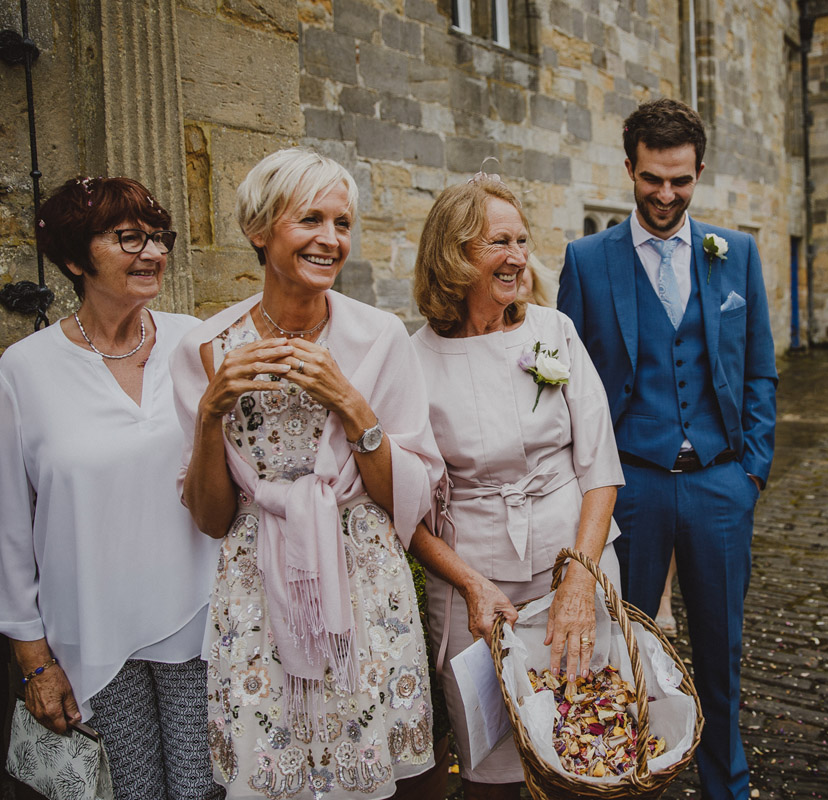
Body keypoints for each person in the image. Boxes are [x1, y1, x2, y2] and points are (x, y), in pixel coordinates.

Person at [171, 149, 444, 800]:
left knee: (361, 770)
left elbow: (411, 492)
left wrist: (350, 403)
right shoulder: (206, 348)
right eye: (310, 220)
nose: (330, 240)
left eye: (342, 223)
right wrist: (212, 411)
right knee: (271, 773)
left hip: (363, 587)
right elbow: (210, 518)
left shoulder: (381, 339)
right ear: (260, 229)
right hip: (258, 590)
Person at [559, 98, 777, 800]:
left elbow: (761, 370)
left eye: (680, 180)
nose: (665, 194)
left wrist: (753, 472)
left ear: (698, 172)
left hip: (719, 484)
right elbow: (565, 383)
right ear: (629, 167)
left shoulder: (735, 254)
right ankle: (626, 777)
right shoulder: (588, 262)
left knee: (722, 654)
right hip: (632, 487)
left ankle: (727, 786)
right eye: (652, 177)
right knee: (621, 648)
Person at [0, 177, 222, 800]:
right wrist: (34, 661)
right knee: (127, 793)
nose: (151, 252)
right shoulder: (25, 370)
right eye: (129, 238)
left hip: (199, 618)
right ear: (75, 258)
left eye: (159, 237)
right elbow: (11, 529)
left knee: (205, 789)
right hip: (92, 633)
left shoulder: (196, 342)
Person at [408, 175, 624, 799]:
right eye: (497, 242)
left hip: (574, 561)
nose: (518, 256)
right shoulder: (412, 358)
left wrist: (581, 576)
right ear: (453, 256)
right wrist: (471, 584)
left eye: (522, 240)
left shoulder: (554, 332)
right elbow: (404, 514)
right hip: (474, 585)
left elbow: (601, 467)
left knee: (591, 740)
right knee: (492, 765)